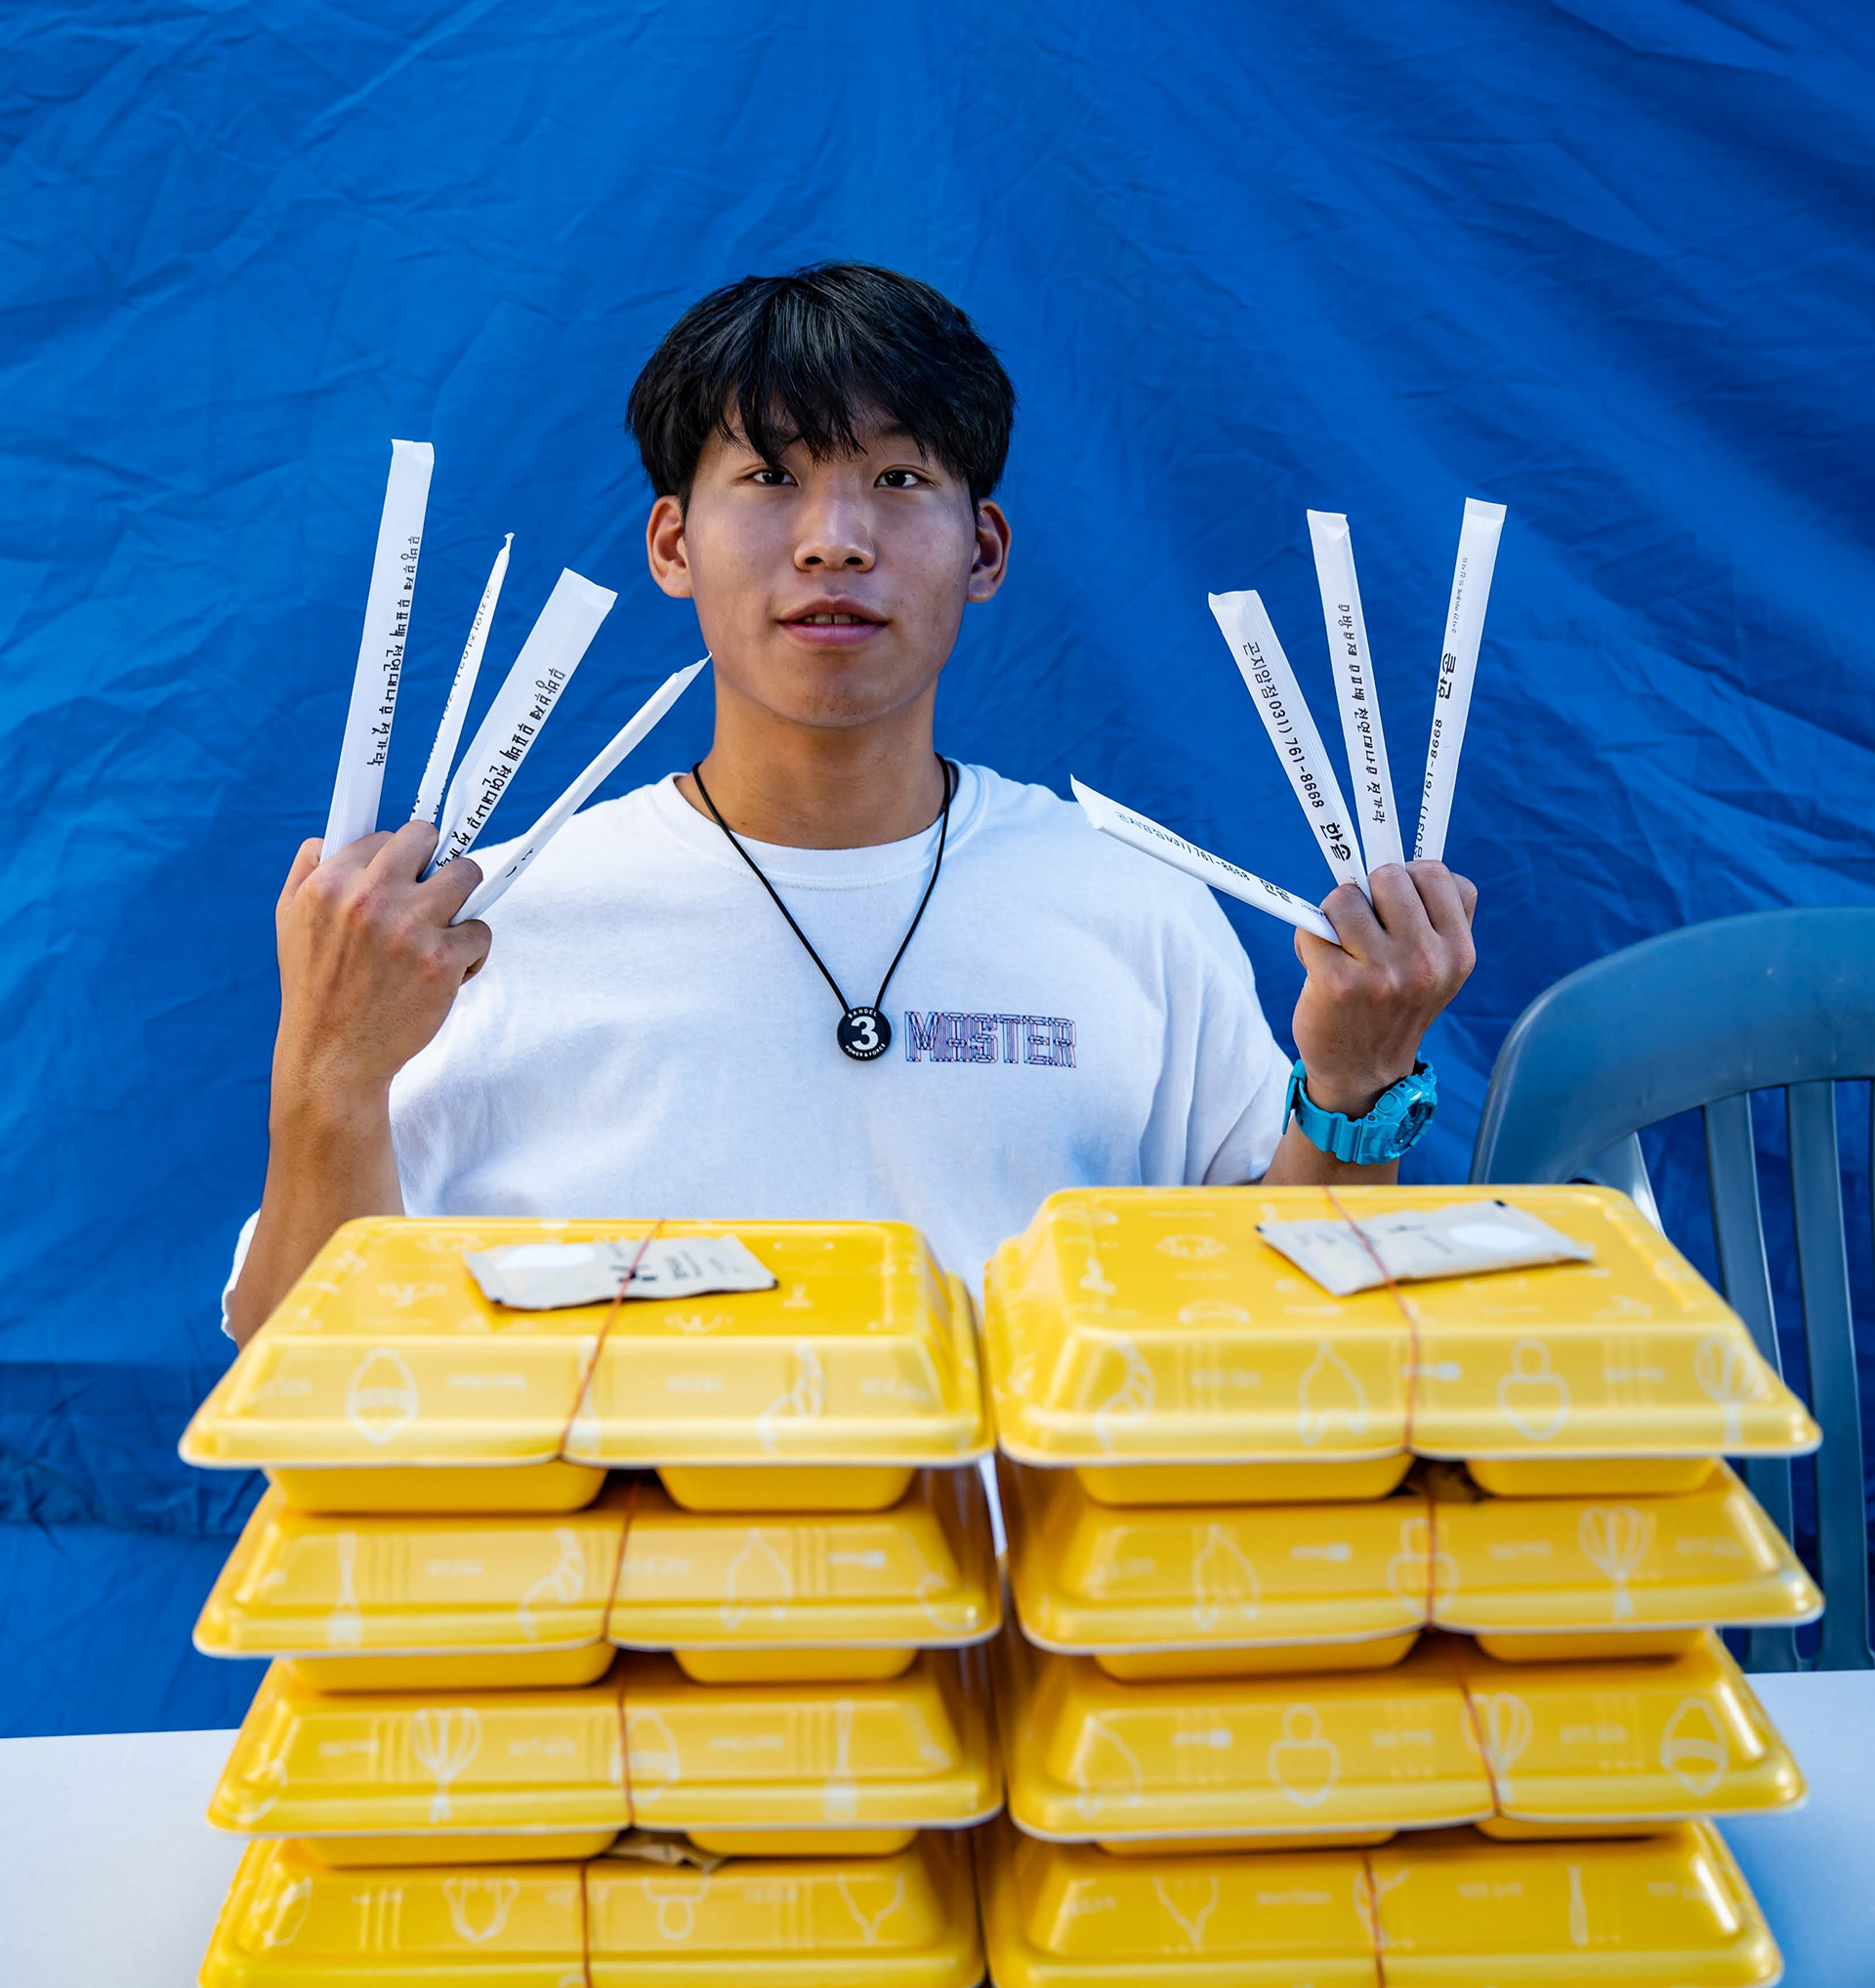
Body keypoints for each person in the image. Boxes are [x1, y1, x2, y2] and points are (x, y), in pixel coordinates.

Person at [226, 265, 1476, 1346]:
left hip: (1029, 1554)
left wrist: (1357, 1083)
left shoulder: (1133, 907)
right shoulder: (467, 937)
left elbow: (1276, 1329)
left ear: (984, 550)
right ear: (673, 545)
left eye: (897, 476)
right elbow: (299, 1358)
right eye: (770, 475)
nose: (833, 539)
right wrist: (327, 1062)